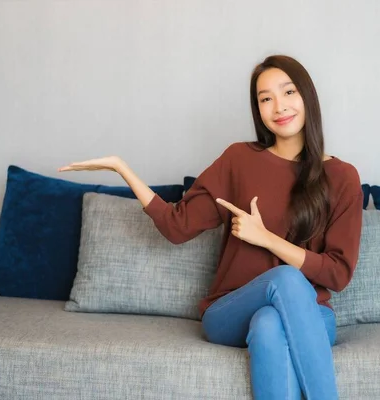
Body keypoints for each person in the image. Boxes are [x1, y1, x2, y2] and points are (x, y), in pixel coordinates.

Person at [59, 55, 363, 400]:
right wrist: (121, 169)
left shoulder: (342, 178)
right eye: (266, 98)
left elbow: (338, 274)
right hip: (230, 311)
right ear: (258, 110)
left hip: (311, 315)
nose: (279, 106)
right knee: (285, 281)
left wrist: (266, 239)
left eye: (288, 92)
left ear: (307, 96)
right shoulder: (239, 160)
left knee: (268, 324)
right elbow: (177, 226)